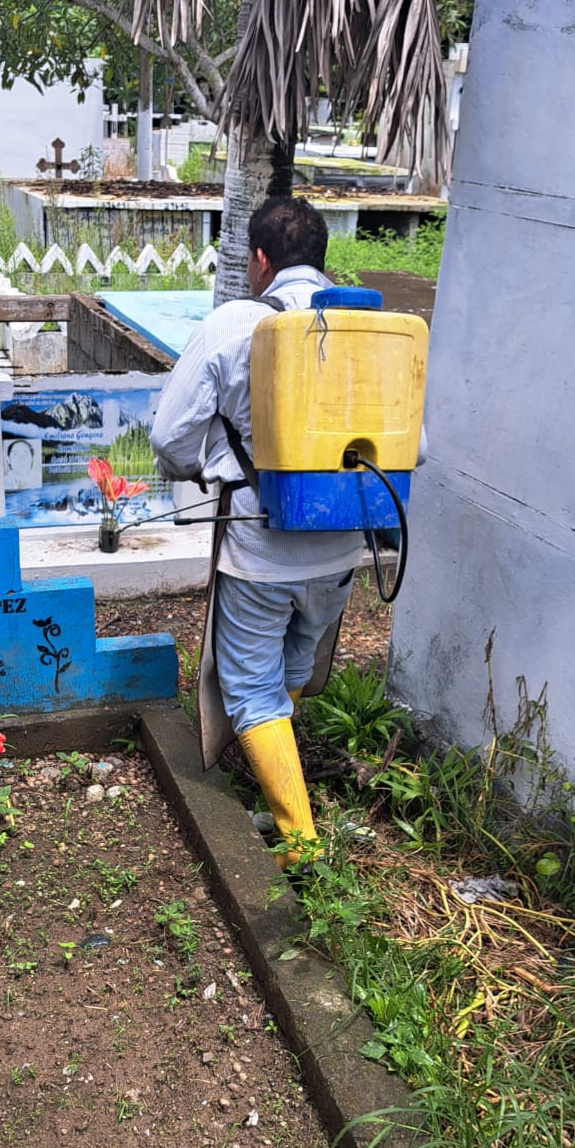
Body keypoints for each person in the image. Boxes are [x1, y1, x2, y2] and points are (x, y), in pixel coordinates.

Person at [150, 196, 367, 870]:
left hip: (260, 545)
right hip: (343, 543)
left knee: (248, 688)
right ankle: (278, 782)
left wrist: (204, 466)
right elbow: (411, 446)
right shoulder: (370, 328)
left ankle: (300, 844)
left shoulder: (234, 324)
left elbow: (169, 438)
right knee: (295, 663)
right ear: (321, 258)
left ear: (260, 260)